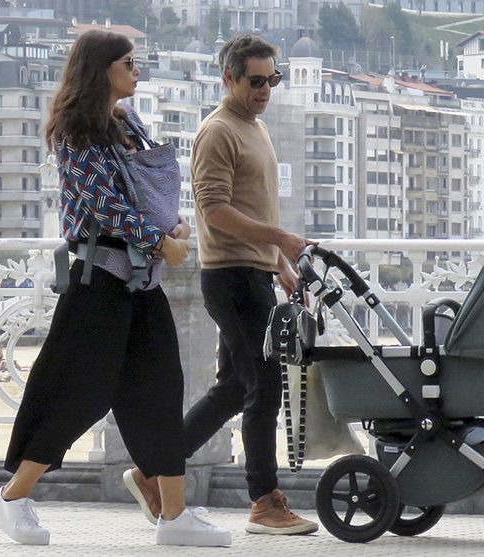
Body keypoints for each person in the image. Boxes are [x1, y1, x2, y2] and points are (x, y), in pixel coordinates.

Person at [0, 30, 230, 548]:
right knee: (77, 395)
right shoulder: (77, 132)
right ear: (102, 71)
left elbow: (142, 194)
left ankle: (175, 517)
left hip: (139, 285)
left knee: (161, 393)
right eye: (128, 63)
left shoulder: (126, 124)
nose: (137, 71)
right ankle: (11, 499)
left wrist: (173, 227)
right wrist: (160, 242)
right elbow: (102, 208)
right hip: (99, 284)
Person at [124, 34, 318, 536]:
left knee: (234, 388)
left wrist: (278, 262)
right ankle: (264, 502)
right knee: (263, 387)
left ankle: (152, 475)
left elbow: (255, 207)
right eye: (256, 81)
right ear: (228, 78)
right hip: (230, 278)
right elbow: (216, 212)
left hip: (254, 273)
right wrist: (279, 240)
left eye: (273, 79)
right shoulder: (218, 131)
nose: (266, 90)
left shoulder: (256, 128)